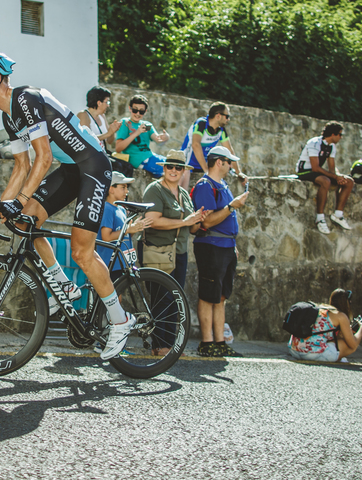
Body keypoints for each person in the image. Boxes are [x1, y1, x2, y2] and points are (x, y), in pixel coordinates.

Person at [0, 51, 134, 360]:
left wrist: (19, 200)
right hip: (72, 169)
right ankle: (64, 287)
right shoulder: (8, 116)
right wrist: (3, 206)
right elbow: (21, 166)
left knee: (82, 252)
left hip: (93, 164)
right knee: (24, 220)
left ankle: (120, 319)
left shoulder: (25, 99)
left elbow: (44, 158)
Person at [141, 149, 209, 355]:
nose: (173, 170)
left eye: (178, 167)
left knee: (175, 298)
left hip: (179, 252)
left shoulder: (184, 194)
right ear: (164, 168)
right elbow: (152, 220)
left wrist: (198, 220)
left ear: (183, 171)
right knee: (162, 299)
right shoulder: (154, 189)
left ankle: (168, 344)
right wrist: (185, 221)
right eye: (169, 166)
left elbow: (191, 228)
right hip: (158, 251)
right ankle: (159, 345)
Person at [190, 146, 249, 357]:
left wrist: (233, 246)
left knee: (221, 296)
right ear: (219, 162)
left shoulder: (222, 185)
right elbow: (207, 220)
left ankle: (219, 341)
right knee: (208, 295)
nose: (232, 165)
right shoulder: (205, 186)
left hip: (225, 247)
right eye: (229, 161)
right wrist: (232, 207)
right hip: (211, 245)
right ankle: (207, 342)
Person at [296, 121, 354, 234]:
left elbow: (332, 168)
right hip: (304, 172)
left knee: (349, 182)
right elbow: (315, 168)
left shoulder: (331, 146)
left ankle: (338, 214)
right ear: (333, 134)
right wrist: (334, 177)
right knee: (325, 181)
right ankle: (320, 217)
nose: (341, 137)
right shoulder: (314, 143)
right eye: (340, 135)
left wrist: (339, 177)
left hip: (317, 171)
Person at [96, 171, 151, 284]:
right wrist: (128, 229)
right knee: (114, 297)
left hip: (122, 261)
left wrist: (134, 228)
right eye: (123, 187)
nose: (127, 191)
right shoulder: (107, 208)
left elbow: (125, 235)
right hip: (110, 262)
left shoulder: (121, 209)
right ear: (111, 189)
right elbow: (106, 237)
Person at [178, 102, 245, 189]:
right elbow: (195, 145)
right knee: (183, 188)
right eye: (227, 116)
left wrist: (238, 172)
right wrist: (206, 171)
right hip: (187, 162)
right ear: (218, 116)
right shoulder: (201, 123)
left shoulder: (221, 130)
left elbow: (229, 150)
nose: (228, 120)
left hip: (203, 164)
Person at [288, 289, 362, 362]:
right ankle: (336, 357)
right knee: (348, 346)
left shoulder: (321, 308)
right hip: (312, 354)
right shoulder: (341, 316)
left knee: (336, 341)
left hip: (294, 350)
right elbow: (353, 344)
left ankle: (336, 356)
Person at [114, 94, 170, 177]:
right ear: (130, 108)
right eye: (135, 110)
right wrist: (137, 132)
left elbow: (159, 141)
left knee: (175, 165)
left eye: (141, 111)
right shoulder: (125, 123)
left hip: (150, 156)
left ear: (145, 111)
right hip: (139, 160)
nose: (138, 113)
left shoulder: (147, 124)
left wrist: (166, 137)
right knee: (171, 170)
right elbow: (118, 148)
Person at [76, 85, 121, 154]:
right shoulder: (83, 115)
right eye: (107, 102)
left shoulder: (102, 116)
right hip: (91, 156)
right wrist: (108, 133)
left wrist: (113, 131)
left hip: (102, 154)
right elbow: (86, 138)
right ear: (99, 103)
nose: (108, 105)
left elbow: (109, 141)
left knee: (125, 165)